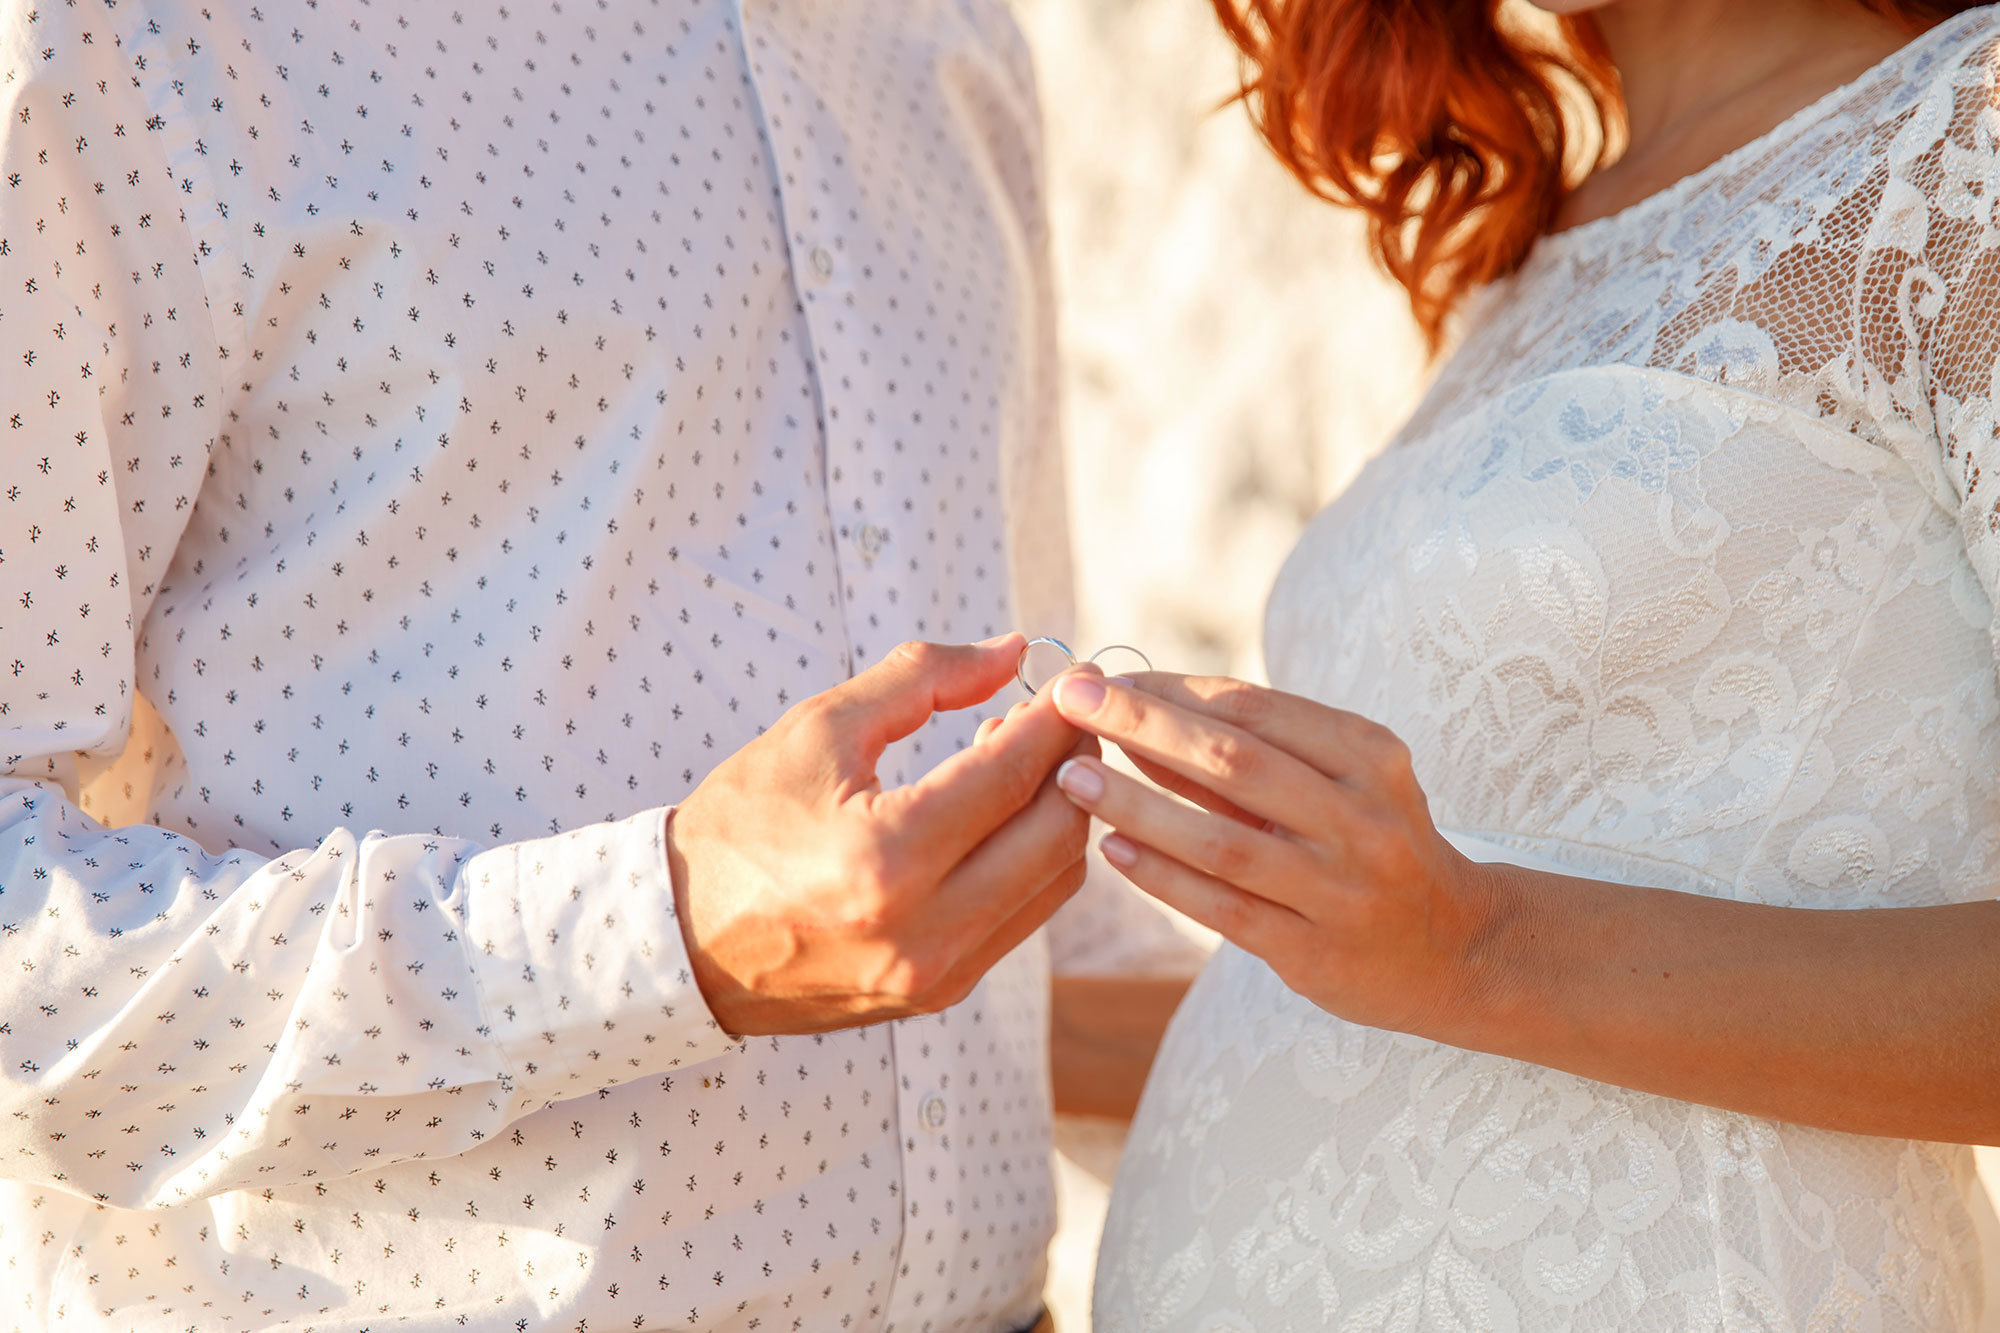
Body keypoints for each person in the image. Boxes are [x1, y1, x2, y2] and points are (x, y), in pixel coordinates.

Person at [0, 3, 1194, 1329]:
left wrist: (1437, 969)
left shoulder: (945, 34)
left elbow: (1021, 902)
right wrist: (657, 930)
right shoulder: (132, 39)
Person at [1058, 0, 2000, 1328]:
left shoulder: (1967, 137)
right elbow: (1379, 1006)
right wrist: (934, 1023)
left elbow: (1466, 949)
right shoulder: (1521, 261)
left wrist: (1483, 944)